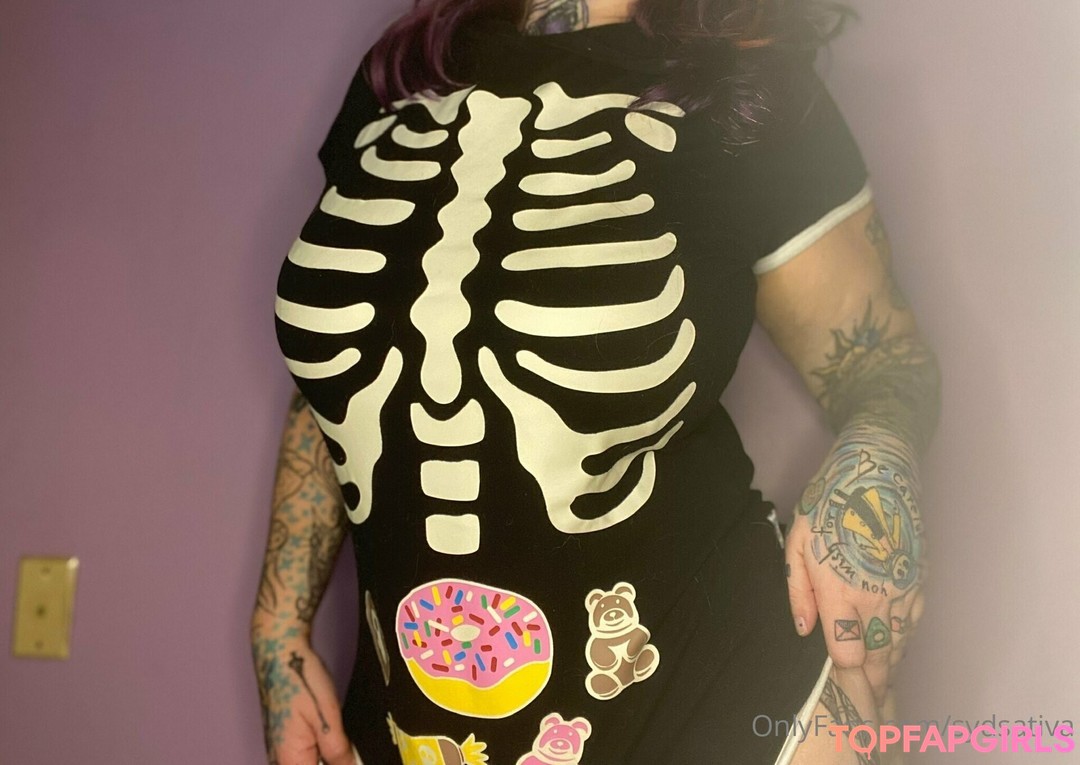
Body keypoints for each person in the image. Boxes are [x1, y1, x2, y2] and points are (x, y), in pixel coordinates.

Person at [251, 0, 940, 762]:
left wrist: (873, 463)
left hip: (722, 702)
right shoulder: (403, 78)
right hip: (407, 727)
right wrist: (277, 624)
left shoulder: (750, 85)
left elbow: (884, 360)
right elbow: (350, 365)